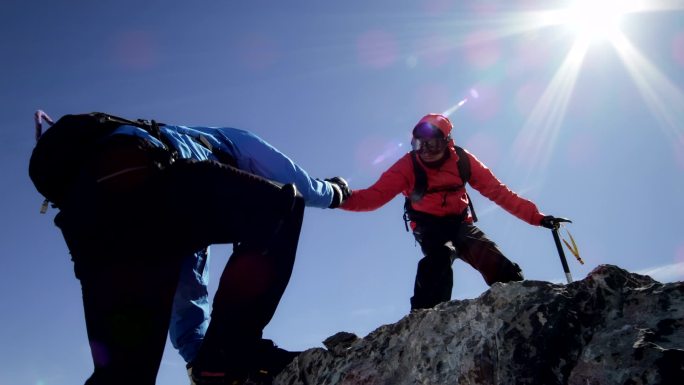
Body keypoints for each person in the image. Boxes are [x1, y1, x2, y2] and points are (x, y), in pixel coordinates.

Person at [30, 112, 350, 385]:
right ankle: (229, 355)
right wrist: (336, 192)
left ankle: (216, 363)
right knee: (281, 205)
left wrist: (202, 358)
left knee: (123, 376)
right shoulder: (227, 141)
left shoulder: (184, 213)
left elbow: (187, 296)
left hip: (87, 227)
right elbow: (297, 183)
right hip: (149, 180)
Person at [331, 113, 560, 310]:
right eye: (419, 144)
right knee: (439, 258)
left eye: (433, 144)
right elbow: (375, 196)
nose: (425, 151)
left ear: (447, 142)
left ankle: (519, 304)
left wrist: (537, 218)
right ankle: (423, 318)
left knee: (495, 261)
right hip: (427, 226)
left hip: (460, 223)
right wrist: (340, 197)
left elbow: (498, 192)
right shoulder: (407, 166)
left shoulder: (463, 161)